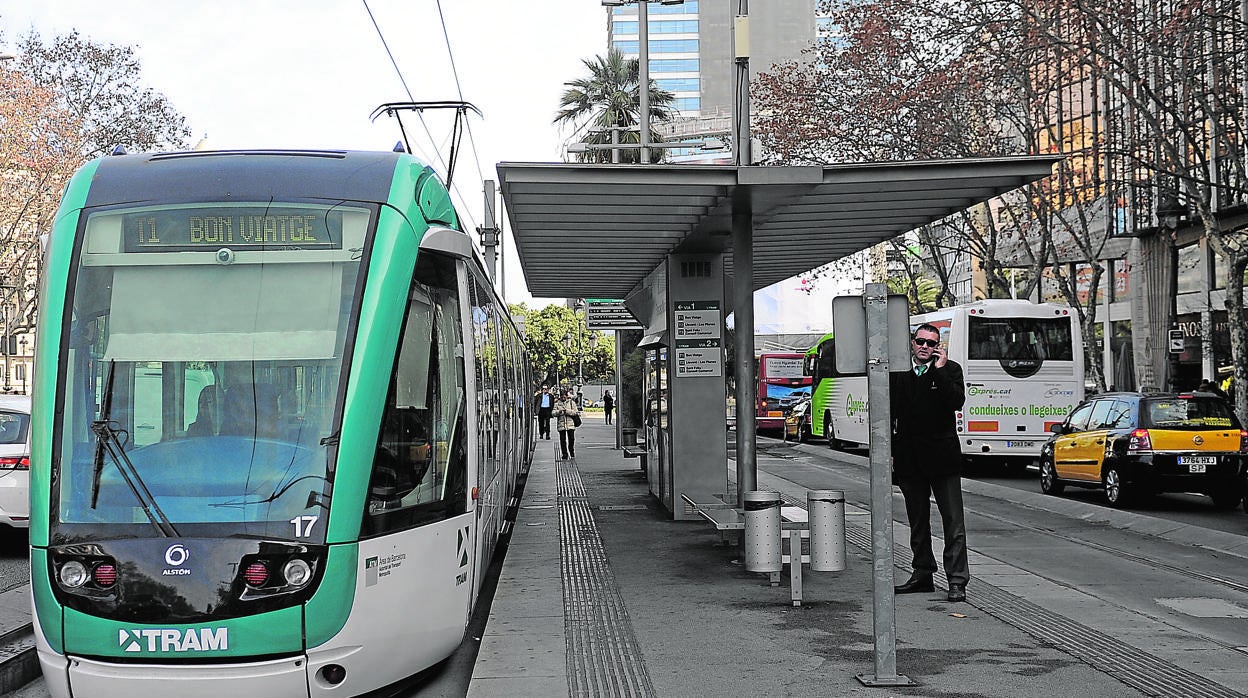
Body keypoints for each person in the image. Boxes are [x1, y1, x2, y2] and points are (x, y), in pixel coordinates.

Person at [890, 323, 970, 603]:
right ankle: (922, 573)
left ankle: (957, 580)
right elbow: (889, 415)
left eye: (931, 343)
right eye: (921, 341)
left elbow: (956, 402)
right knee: (917, 522)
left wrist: (941, 370)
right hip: (910, 460)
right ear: (912, 343)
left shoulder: (951, 370)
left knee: (953, 522)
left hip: (943, 459)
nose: (925, 347)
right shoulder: (897, 372)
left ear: (938, 347)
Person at [553, 388, 581, 460]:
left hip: (570, 424)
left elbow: (576, 412)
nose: (563, 398)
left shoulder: (571, 403)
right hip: (561, 424)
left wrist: (567, 411)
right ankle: (564, 454)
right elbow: (553, 413)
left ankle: (571, 451)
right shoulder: (557, 403)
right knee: (563, 440)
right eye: (562, 397)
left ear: (567, 396)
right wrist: (559, 412)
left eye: (564, 396)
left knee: (571, 439)